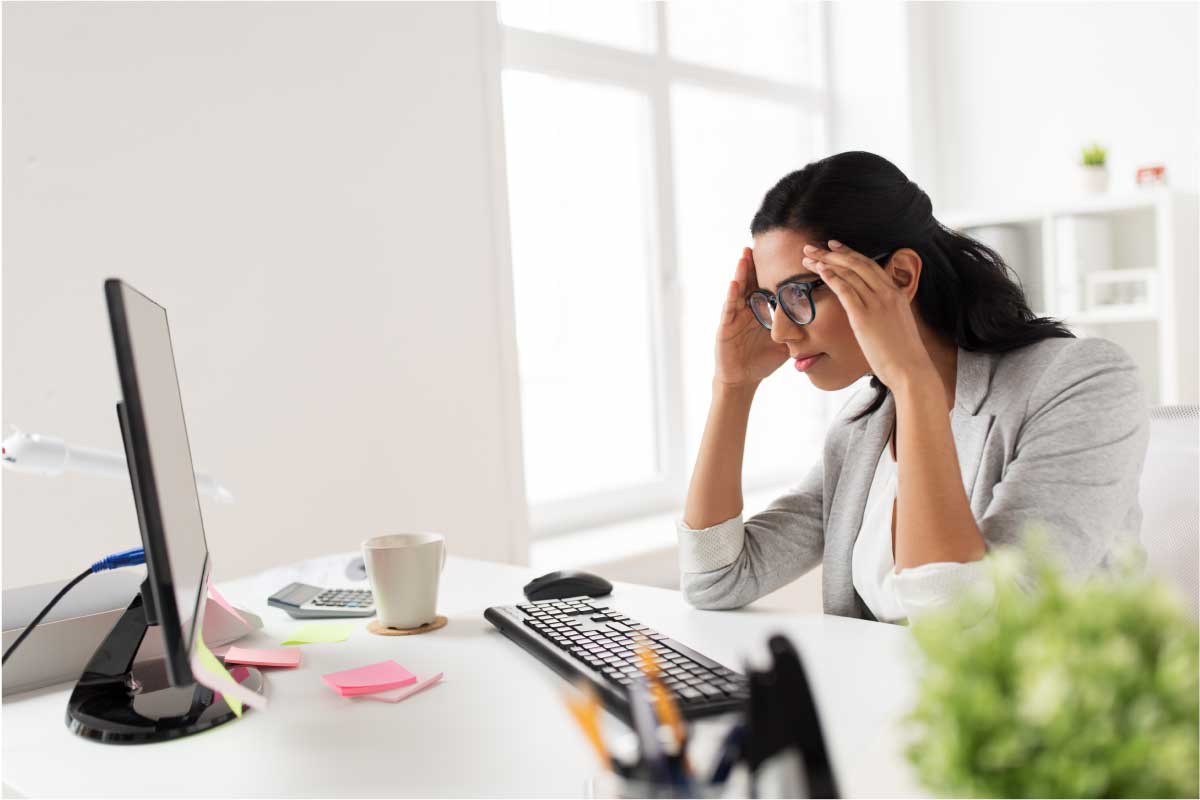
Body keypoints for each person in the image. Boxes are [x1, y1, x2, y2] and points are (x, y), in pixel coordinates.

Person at [677, 151, 1150, 623]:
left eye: (799, 294)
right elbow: (715, 579)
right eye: (769, 301)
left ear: (899, 276)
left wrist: (912, 379)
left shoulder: (1082, 380)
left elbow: (970, 625)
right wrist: (732, 386)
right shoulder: (864, 428)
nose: (779, 331)